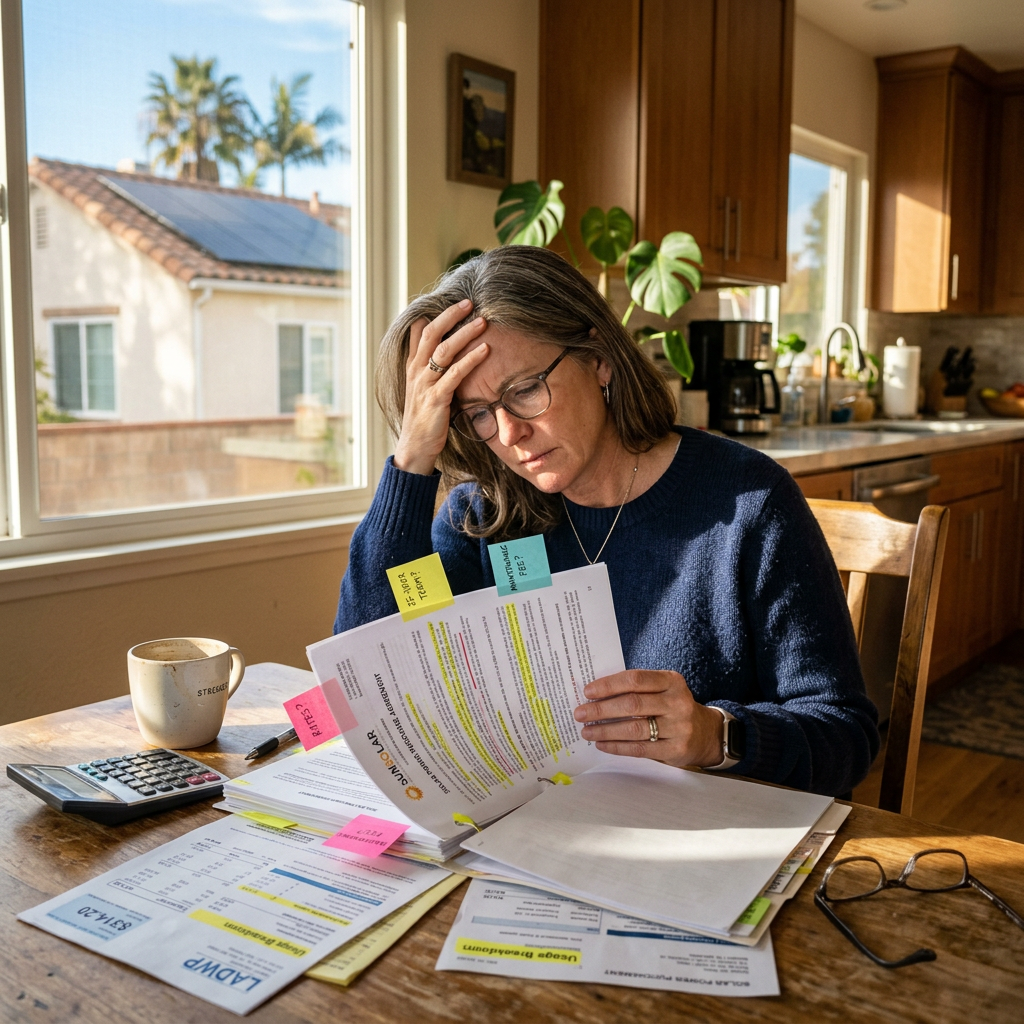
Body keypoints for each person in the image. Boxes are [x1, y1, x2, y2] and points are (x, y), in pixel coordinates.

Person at [335, 245, 879, 797]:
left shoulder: (747, 506)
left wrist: (717, 735)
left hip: (705, 840)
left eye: (524, 390)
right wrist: (411, 460)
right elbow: (371, 660)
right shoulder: (486, 516)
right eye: (477, 412)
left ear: (598, 359)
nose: (507, 433)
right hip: (533, 836)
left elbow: (845, 737)